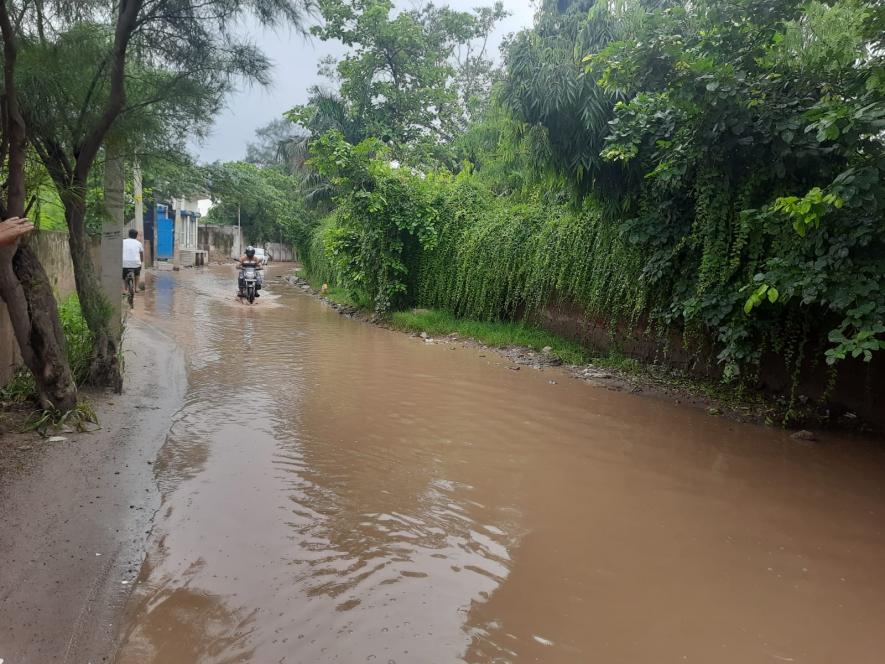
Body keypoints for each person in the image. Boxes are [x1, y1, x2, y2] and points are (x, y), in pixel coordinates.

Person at [122, 228, 144, 293]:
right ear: (136, 235)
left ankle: (123, 289)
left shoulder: (123, 241)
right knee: (137, 274)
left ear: (128, 234)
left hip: (124, 263)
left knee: (123, 276)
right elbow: (141, 254)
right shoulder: (139, 243)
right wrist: (141, 261)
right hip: (136, 264)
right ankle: (136, 288)